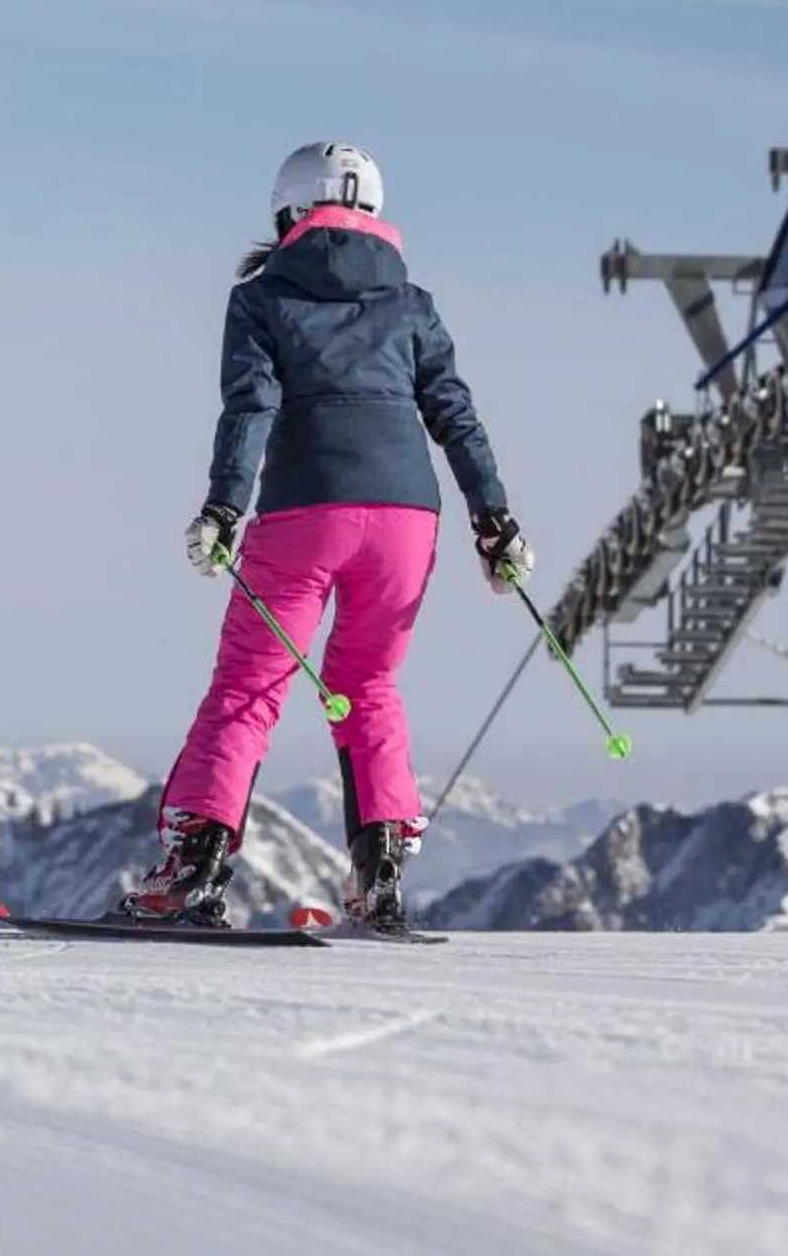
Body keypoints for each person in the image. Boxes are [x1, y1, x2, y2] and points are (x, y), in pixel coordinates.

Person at [130, 142, 534, 934]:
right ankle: (379, 878)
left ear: (286, 210)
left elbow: (251, 407)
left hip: (305, 510)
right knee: (370, 685)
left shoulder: (261, 298)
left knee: (250, 684)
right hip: (408, 518)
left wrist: (223, 508)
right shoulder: (411, 302)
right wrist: (495, 519)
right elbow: (454, 413)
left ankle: (191, 874)